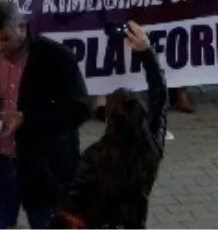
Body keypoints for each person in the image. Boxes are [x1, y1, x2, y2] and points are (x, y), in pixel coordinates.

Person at [0, 0, 90, 230]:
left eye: (5, 39)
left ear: (23, 27)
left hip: (44, 168)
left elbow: (78, 109)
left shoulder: (57, 58)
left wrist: (26, 117)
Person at [54, 22, 166, 229]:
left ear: (108, 121)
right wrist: (147, 53)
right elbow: (160, 98)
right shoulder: (151, 149)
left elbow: (71, 197)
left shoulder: (95, 156)